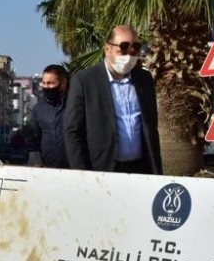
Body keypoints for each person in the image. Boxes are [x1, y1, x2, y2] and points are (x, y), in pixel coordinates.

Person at [64, 25, 162, 174]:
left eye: (135, 47)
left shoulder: (144, 79)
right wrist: (82, 174)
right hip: (102, 171)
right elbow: (73, 132)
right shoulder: (85, 81)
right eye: (123, 47)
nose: (129, 54)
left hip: (141, 169)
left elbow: (151, 128)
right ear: (107, 49)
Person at [28, 64, 70, 169]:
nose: (46, 87)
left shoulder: (76, 105)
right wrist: (37, 161)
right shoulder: (39, 109)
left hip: (75, 169)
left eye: (51, 83)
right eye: (44, 83)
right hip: (49, 169)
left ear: (63, 83)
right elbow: (33, 139)